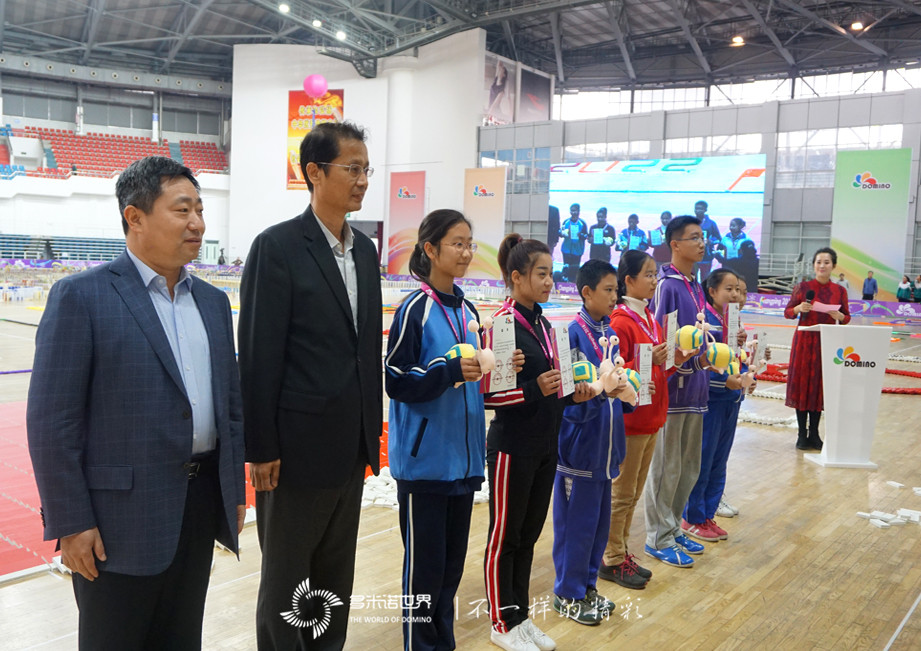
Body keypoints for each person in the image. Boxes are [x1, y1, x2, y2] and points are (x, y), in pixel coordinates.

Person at [27, 156, 245, 650]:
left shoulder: (213, 303)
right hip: (115, 523)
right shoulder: (82, 297)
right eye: (182, 210)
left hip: (196, 509)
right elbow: (51, 422)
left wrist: (231, 491)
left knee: (182, 638)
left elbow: (230, 409)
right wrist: (71, 522)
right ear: (135, 216)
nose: (197, 223)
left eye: (200, 210)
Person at [238, 121, 383, 650]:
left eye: (366, 169)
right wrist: (261, 447)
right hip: (294, 453)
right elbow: (258, 354)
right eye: (352, 168)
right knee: (288, 582)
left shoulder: (364, 252)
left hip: (350, 447)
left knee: (333, 581)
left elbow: (364, 349)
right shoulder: (277, 247)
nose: (362, 180)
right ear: (315, 172)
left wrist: (371, 432)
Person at [385, 209, 516, 651]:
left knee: (449, 572)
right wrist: (447, 370)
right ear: (430, 249)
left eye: (469, 243)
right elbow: (395, 379)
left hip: (463, 464)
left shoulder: (469, 310)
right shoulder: (414, 309)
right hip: (425, 465)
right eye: (456, 243)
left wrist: (503, 368)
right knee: (424, 574)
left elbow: (475, 381)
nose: (465, 252)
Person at [484, 235, 584, 651]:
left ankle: (520, 618)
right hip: (512, 446)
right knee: (505, 537)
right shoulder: (501, 325)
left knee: (527, 537)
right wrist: (533, 389)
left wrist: (579, 391)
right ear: (516, 277)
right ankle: (500, 622)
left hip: (545, 445)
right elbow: (489, 396)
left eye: (551, 274)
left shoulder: (545, 325)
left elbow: (554, 388)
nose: (549, 281)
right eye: (541, 274)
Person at [598, 250, 684, 590]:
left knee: (633, 494)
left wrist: (675, 359)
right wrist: (647, 362)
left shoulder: (649, 317)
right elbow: (612, 373)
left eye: (655, 274)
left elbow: (658, 371)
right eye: (648, 274)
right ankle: (611, 558)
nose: (654, 281)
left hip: (652, 417)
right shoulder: (621, 322)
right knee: (622, 494)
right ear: (629, 280)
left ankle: (620, 552)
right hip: (632, 421)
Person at [551, 260, 630, 626]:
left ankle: (587, 586)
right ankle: (567, 592)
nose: (615, 296)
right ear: (587, 292)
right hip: (580, 450)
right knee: (576, 527)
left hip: (606, 449)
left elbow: (616, 389)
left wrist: (626, 389)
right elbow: (567, 401)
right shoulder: (572, 335)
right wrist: (598, 396)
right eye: (608, 290)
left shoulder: (610, 333)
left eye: (616, 290)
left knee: (598, 527)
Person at [644, 215, 709, 567]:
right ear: (675, 244)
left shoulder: (695, 286)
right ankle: (657, 536)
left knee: (688, 469)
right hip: (672, 391)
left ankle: (673, 527)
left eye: (702, 237)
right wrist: (675, 365)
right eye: (694, 237)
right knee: (666, 468)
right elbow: (659, 339)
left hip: (697, 388)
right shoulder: (667, 286)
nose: (701, 243)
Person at [681, 269, 743, 544]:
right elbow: (698, 364)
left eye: (738, 290)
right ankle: (691, 517)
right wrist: (723, 381)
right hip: (711, 400)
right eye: (729, 289)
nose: (735, 294)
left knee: (719, 461)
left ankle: (707, 514)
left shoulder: (732, 321)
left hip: (731, 399)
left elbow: (735, 359)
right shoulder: (703, 322)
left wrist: (746, 371)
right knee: (703, 461)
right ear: (713, 291)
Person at [784, 247, 850, 451]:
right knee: (802, 385)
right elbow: (788, 312)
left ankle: (814, 433)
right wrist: (798, 308)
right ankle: (801, 435)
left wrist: (840, 316)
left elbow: (847, 317)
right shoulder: (803, 287)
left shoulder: (840, 291)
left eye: (826, 262)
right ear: (813, 265)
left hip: (827, 342)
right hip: (804, 342)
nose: (822, 266)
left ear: (833, 266)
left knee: (819, 386)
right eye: (819, 262)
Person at [559, 203, 588, 282]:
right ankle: (564, 282)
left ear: (579, 211)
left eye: (575, 210)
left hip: (577, 250)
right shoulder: (566, 222)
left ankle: (574, 283)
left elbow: (586, 236)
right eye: (572, 210)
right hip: (566, 249)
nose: (573, 212)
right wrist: (563, 234)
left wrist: (580, 235)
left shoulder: (582, 223)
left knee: (575, 269)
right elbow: (560, 233)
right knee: (566, 267)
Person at [693, 201, 721, 281]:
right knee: (691, 279)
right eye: (696, 209)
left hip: (706, 257)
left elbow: (718, 238)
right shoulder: (689, 223)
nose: (698, 211)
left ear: (705, 210)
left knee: (705, 280)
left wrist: (710, 241)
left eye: (700, 209)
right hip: (692, 257)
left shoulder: (711, 223)